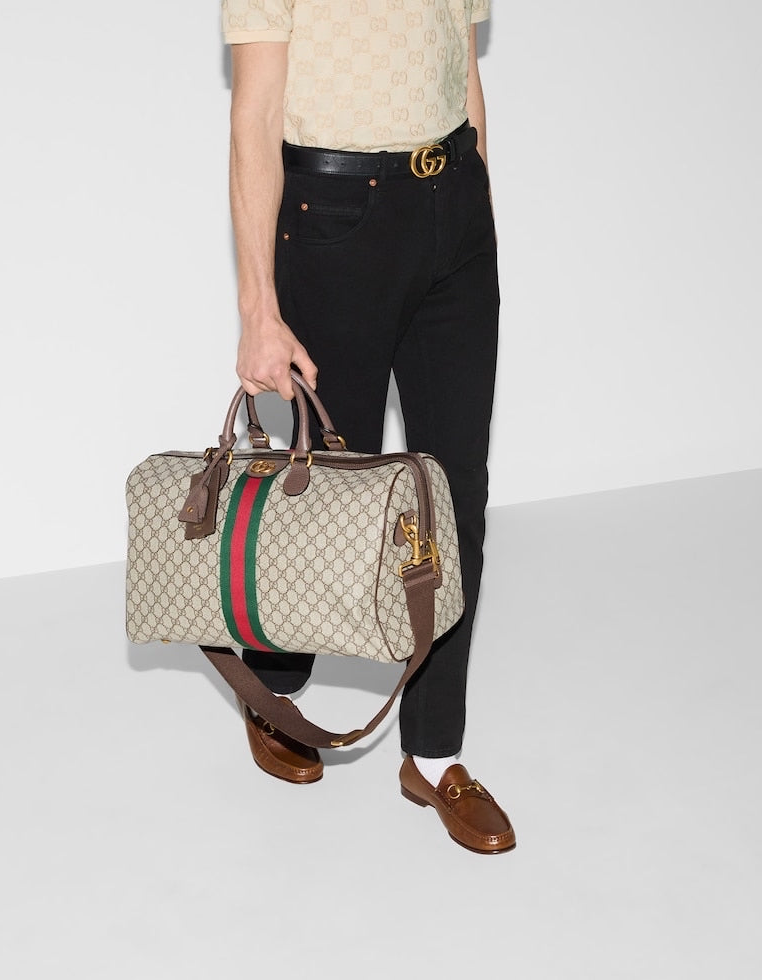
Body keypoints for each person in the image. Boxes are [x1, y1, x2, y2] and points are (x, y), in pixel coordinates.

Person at [222, 0, 515, 854]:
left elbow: (464, 70)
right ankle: (275, 687)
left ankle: (436, 753)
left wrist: (478, 213)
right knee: (324, 495)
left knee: (454, 496)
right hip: (335, 216)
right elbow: (255, 115)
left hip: (454, 206)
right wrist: (258, 310)